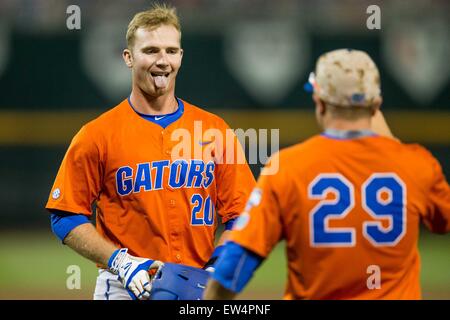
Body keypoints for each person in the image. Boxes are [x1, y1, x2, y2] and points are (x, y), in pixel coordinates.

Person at [45, 3, 255, 300]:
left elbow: (242, 214)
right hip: (125, 285)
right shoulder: (98, 134)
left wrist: (219, 266)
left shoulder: (215, 130)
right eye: (151, 50)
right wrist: (119, 260)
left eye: (171, 51)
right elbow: (64, 216)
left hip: (196, 283)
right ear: (129, 58)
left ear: (181, 56)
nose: (162, 60)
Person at [203, 49, 450, 300]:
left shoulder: (287, 167)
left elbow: (234, 267)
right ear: (376, 105)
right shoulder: (418, 165)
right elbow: (443, 221)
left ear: (319, 102)